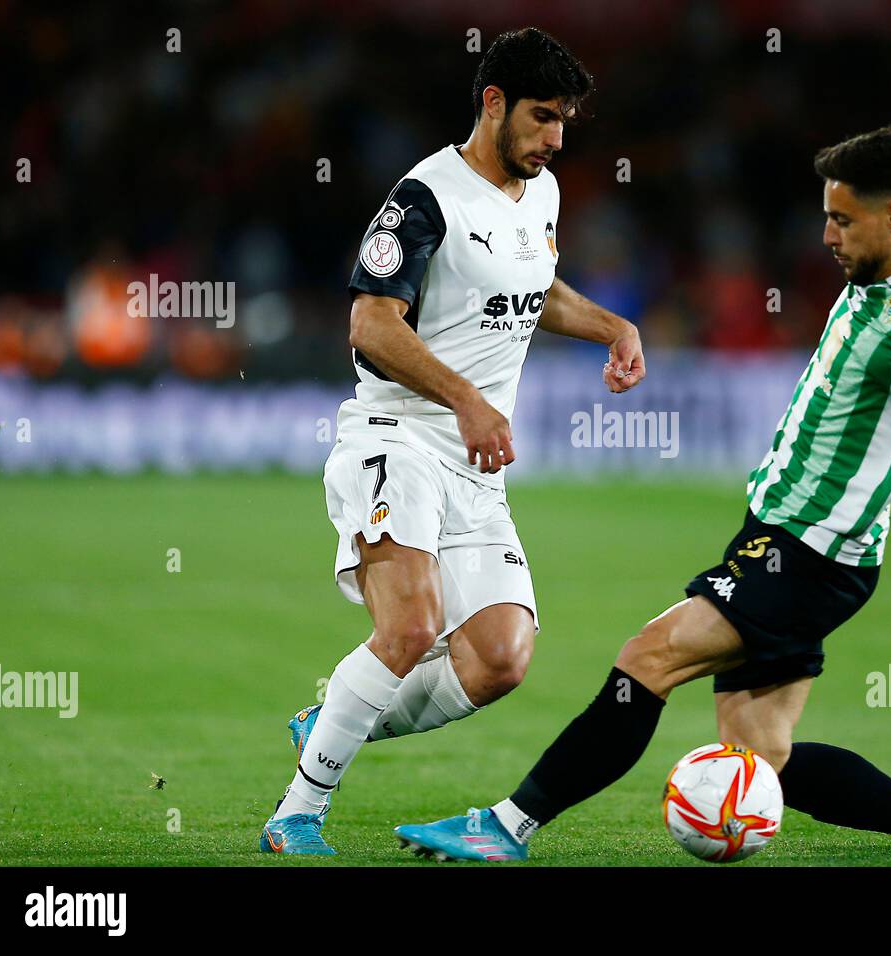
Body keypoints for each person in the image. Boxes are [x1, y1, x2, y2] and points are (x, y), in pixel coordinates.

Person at [390, 126, 891, 862]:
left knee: (649, 657)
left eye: (843, 220)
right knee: (760, 754)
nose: (826, 235)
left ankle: (506, 827)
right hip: (780, 536)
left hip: (811, 553)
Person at [260, 28, 646, 856]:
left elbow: (532, 292)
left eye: (567, 121)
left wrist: (612, 325)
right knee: (410, 628)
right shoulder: (425, 198)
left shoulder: (538, 194)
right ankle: (296, 815)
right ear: (493, 103)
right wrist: (467, 396)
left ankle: (329, 720)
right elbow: (369, 322)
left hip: (474, 468)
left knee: (502, 658)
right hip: (395, 438)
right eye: (543, 118)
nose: (556, 139)